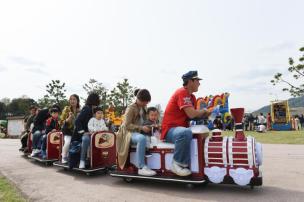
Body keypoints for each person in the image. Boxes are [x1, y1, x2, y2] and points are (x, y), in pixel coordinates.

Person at [161, 70, 211, 176]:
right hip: (170, 130)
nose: (199, 83)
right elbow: (192, 114)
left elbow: (194, 116)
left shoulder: (192, 97)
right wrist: (204, 111)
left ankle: (201, 163)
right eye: (197, 80)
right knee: (185, 133)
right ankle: (177, 164)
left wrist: (208, 113)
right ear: (190, 81)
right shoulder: (182, 92)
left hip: (179, 128)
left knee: (202, 131)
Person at [116, 89, 156, 176]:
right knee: (141, 138)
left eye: (146, 102)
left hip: (138, 131)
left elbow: (144, 121)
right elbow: (126, 125)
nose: (145, 104)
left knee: (154, 138)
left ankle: (149, 165)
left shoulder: (143, 107)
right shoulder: (131, 108)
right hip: (127, 133)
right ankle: (141, 167)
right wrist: (141, 127)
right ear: (139, 99)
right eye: (144, 102)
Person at [72, 93, 100, 169]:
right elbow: (77, 121)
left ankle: (95, 159)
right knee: (86, 139)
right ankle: (82, 161)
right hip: (81, 134)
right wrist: (83, 132)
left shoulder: (95, 109)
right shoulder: (87, 108)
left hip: (92, 132)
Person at [59, 94, 81, 164]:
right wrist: (68, 120)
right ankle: (64, 157)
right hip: (68, 130)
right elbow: (61, 122)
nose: (72, 101)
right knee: (68, 142)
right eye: (71, 99)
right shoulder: (66, 109)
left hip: (77, 131)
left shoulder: (80, 110)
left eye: (74, 99)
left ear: (77, 101)